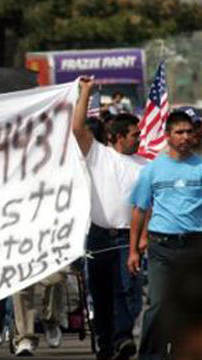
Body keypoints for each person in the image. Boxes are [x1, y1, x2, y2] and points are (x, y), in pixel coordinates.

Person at [72, 77, 146, 360]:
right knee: (101, 297)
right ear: (116, 137)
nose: (138, 139)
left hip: (129, 239)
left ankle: (124, 339)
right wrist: (86, 93)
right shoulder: (98, 156)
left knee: (128, 294)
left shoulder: (145, 166)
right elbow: (78, 128)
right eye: (133, 135)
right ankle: (105, 346)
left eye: (139, 134)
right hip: (99, 237)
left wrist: (142, 238)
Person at [128, 110, 202, 360]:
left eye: (189, 132)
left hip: (195, 246)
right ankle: (150, 355)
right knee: (159, 305)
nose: (185, 136)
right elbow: (139, 209)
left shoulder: (200, 167)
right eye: (179, 132)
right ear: (168, 135)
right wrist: (133, 251)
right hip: (161, 246)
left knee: (194, 306)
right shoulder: (152, 170)